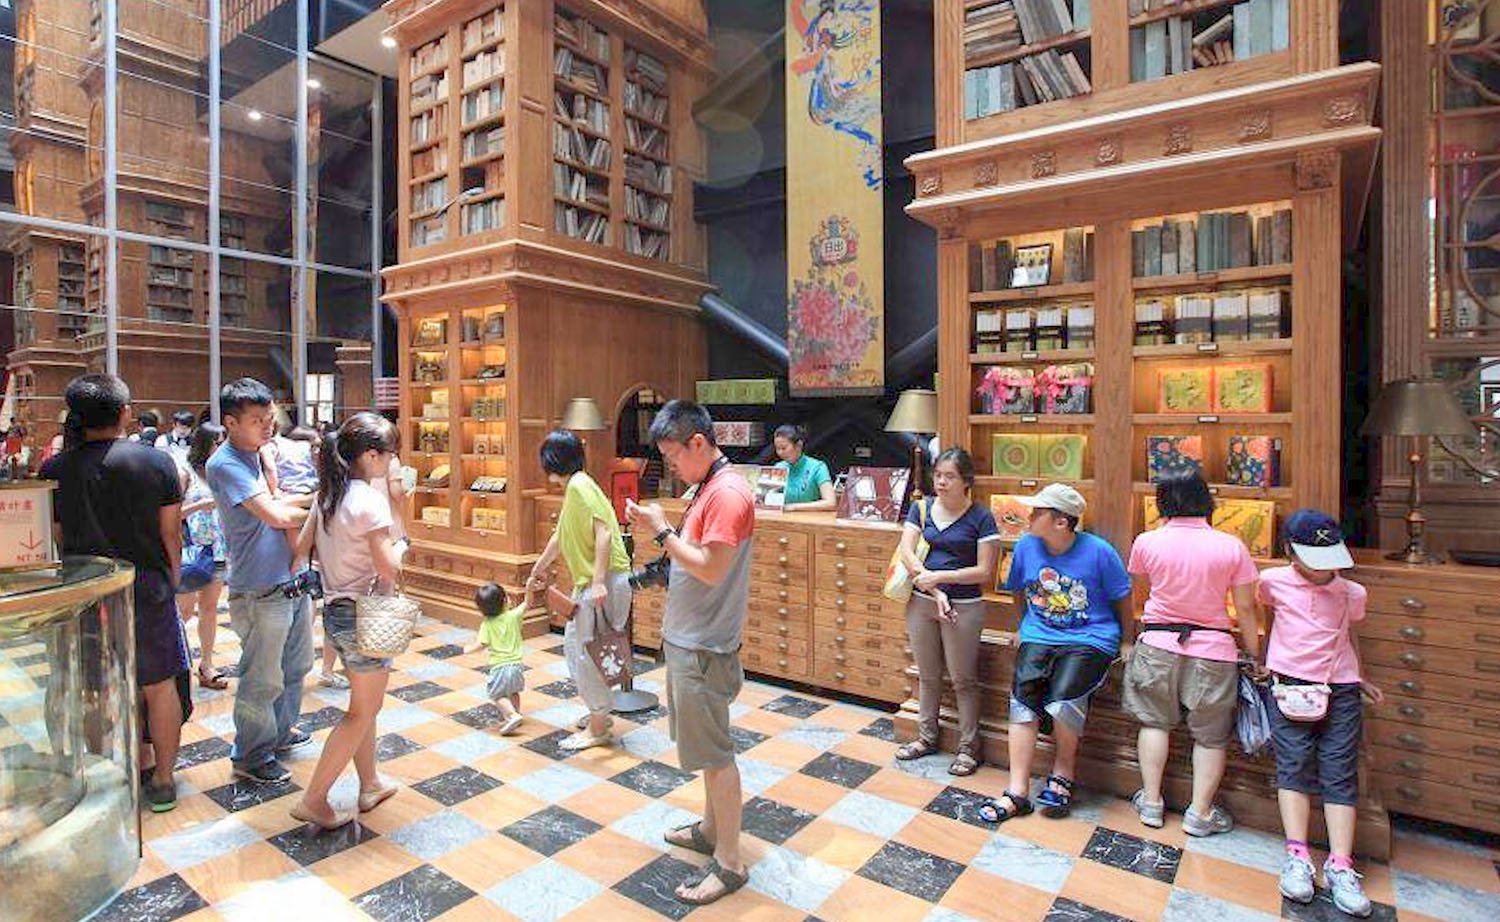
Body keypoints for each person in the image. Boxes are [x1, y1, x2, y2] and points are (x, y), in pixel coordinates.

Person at [40, 373, 190, 813]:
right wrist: (173, 579)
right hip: (145, 588)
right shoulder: (156, 463)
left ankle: (106, 777)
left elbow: (56, 538)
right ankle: (163, 780)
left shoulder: (55, 470)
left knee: (93, 688)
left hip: (84, 591)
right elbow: (170, 534)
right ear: (125, 412)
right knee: (159, 684)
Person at [626, 400, 754, 906]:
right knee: (704, 749)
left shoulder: (727, 493)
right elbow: (692, 556)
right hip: (690, 638)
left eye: (674, 456)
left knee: (716, 755)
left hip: (704, 644)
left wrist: (661, 530)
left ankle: (730, 862)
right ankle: (710, 829)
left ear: (698, 442)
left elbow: (710, 568)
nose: (672, 466)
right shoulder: (709, 486)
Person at [979, 483, 1132, 824]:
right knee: (1022, 698)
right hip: (1040, 633)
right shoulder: (1026, 546)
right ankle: (1017, 790)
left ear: (1062, 521)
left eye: (1038, 512)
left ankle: (1063, 773)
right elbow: (1018, 589)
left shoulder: (1100, 552)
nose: (1029, 516)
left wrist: (1127, 640)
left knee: (1065, 698)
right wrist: (1023, 627)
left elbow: (1122, 596)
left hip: (1091, 636)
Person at [1123, 471, 1262, 836]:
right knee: (1211, 737)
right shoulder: (1231, 546)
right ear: (1205, 499)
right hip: (1213, 649)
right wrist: (1254, 652)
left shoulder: (1147, 542)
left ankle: (1151, 802)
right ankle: (1199, 813)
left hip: (1157, 644)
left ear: (1163, 500)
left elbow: (1141, 593)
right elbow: (1246, 607)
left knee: (1154, 723)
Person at [1259, 510, 1379, 918]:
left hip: (1339, 686)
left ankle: (1341, 863)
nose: (1322, 569)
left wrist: (1361, 677)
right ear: (1290, 552)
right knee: (1292, 765)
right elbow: (1267, 617)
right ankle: (1297, 855)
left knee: (1339, 769)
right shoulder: (1272, 582)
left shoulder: (1352, 592)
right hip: (1288, 685)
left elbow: (1351, 635)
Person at [289, 412, 404, 829]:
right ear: (371, 455)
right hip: (366, 614)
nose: (392, 461)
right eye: (390, 453)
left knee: (362, 706)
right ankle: (314, 798)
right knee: (361, 711)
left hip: (337, 611)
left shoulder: (329, 495)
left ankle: (369, 782)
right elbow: (388, 568)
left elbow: (302, 548)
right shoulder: (369, 500)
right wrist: (401, 547)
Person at [206, 378, 314, 785]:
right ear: (231, 423)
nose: (268, 426)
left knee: (296, 666)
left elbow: (283, 502)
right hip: (260, 586)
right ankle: (251, 755)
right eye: (258, 420)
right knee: (261, 677)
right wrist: (320, 509)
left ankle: (279, 733)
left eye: (270, 418)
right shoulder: (226, 464)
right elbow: (275, 515)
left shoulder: (263, 454)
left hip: (292, 578)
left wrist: (299, 503)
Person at [893, 448, 1001, 776]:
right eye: (938, 475)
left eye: (949, 476)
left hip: (964, 606)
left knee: (963, 678)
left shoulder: (981, 517)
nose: (941, 482)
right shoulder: (921, 508)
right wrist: (936, 590)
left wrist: (940, 577)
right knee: (927, 674)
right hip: (922, 601)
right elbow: (907, 552)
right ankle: (926, 737)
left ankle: (969, 747)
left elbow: (984, 571)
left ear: (966, 481)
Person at [527, 430, 633, 751]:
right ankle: (598, 713)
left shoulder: (579, 486)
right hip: (596, 582)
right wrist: (538, 567)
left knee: (587, 652)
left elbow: (604, 533)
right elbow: (560, 536)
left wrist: (598, 581)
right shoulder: (579, 486)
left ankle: (599, 725)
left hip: (604, 581)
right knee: (581, 648)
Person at [179, 421, 231, 690]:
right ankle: (177, 663)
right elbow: (173, 514)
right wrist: (201, 505)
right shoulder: (185, 472)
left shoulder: (222, 473)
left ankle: (206, 664)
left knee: (210, 608)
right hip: (192, 550)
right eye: (217, 442)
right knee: (185, 610)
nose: (222, 446)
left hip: (218, 548)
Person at [464, 583, 528, 735]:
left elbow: (482, 644)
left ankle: (512, 716)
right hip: (517, 666)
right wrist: (530, 588)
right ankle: (515, 713)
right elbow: (528, 603)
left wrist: (468, 649)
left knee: (496, 695)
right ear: (505, 601)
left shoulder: (487, 625)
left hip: (500, 667)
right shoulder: (513, 616)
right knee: (514, 692)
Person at [771, 423, 835, 511]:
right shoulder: (778, 467)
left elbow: (830, 503)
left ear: (799, 445)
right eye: (777, 449)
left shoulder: (818, 467)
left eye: (784, 448)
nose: (780, 453)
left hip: (810, 518)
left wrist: (794, 507)